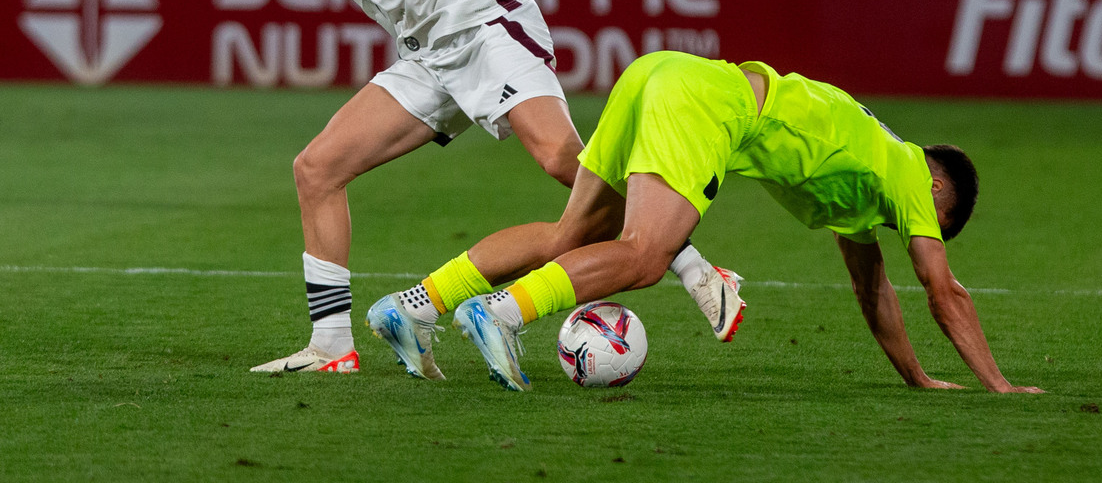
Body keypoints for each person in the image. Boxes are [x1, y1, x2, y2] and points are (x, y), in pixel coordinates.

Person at [70, 0, 744, 375]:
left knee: (564, 161)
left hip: (489, 28)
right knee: (317, 168)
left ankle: (695, 269)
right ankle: (331, 343)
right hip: (429, 60)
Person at [381, 50, 1046, 393]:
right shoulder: (906, 171)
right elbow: (942, 289)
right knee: (643, 255)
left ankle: (416, 306)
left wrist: (919, 379)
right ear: (936, 185)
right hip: (709, 103)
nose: (921, 229)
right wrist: (999, 384)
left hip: (659, 74)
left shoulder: (863, 187)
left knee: (568, 235)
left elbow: (875, 294)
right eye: (935, 217)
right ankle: (499, 316)